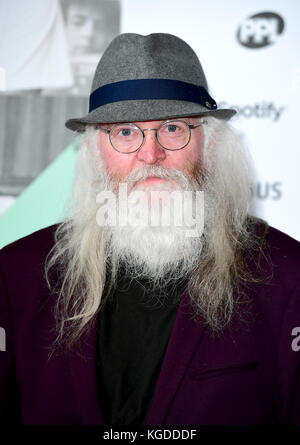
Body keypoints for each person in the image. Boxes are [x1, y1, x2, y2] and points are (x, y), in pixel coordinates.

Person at [0, 33, 300, 426]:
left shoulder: (287, 275)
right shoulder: (16, 273)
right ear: (94, 152)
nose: (150, 153)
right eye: (125, 132)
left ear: (209, 144)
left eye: (173, 128)